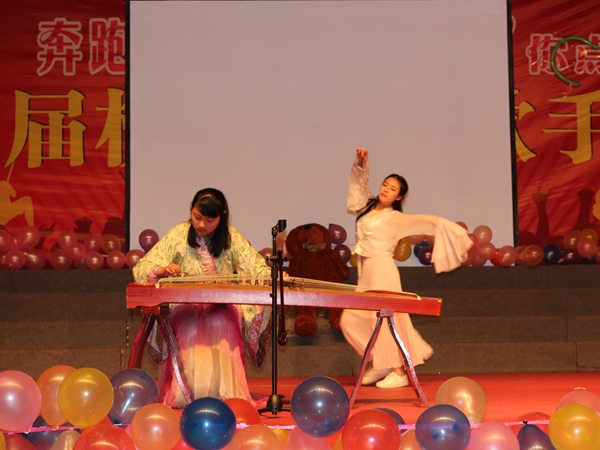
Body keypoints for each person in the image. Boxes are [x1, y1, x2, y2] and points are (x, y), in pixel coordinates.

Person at [340, 148, 473, 388]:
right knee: (350, 320)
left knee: (386, 319)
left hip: (383, 270)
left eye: (392, 189)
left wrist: (454, 232)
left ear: (398, 197)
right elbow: (359, 184)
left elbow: (426, 221)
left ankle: (398, 371)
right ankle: (381, 362)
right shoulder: (367, 207)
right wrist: (360, 162)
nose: (386, 189)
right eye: (385, 184)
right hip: (366, 272)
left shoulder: (396, 218)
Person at [133, 188, 272, 407]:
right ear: (191, 210)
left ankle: (227, 395)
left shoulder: (231, 238)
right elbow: (142, 268)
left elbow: (257, 269)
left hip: (222, 303)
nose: (201, 225)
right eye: (197, 217)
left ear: (222, 216)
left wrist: (275, 277)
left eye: (209, 220)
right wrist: (162, 270)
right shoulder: (178, 234)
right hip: (184, 304)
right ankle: (185, 395)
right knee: (188, 327)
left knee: (223, 322)